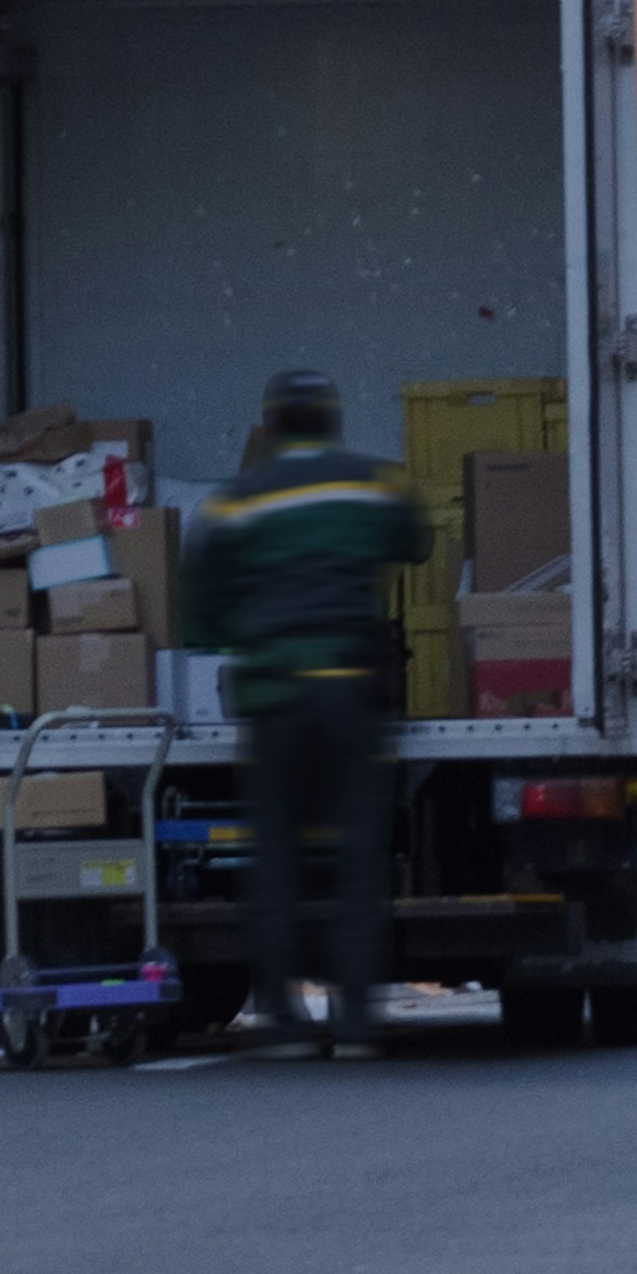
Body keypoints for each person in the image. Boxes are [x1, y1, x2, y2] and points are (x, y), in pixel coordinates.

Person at [182, 367, 431, 1055]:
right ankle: (354, 1021)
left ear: (270, 426)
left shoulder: (232, 503)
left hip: (275, 697)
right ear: (333, 419)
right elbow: (418, 540)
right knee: (357, 859)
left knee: (277, 861)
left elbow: (200, 607)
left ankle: (286, 1019)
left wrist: (251, 632)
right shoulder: (374, 482)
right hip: (352, 691)